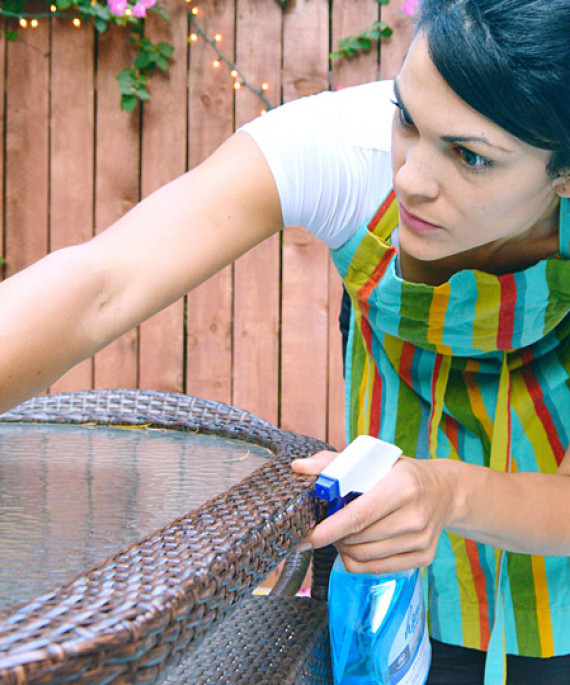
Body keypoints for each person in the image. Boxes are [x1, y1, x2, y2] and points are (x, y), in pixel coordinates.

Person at [0, 0, 568, 682]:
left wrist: (446, 491)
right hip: (389, 584)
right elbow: (100, 282)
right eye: (407, 119)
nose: (411, 176)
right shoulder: (341, 147)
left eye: (470, 156)